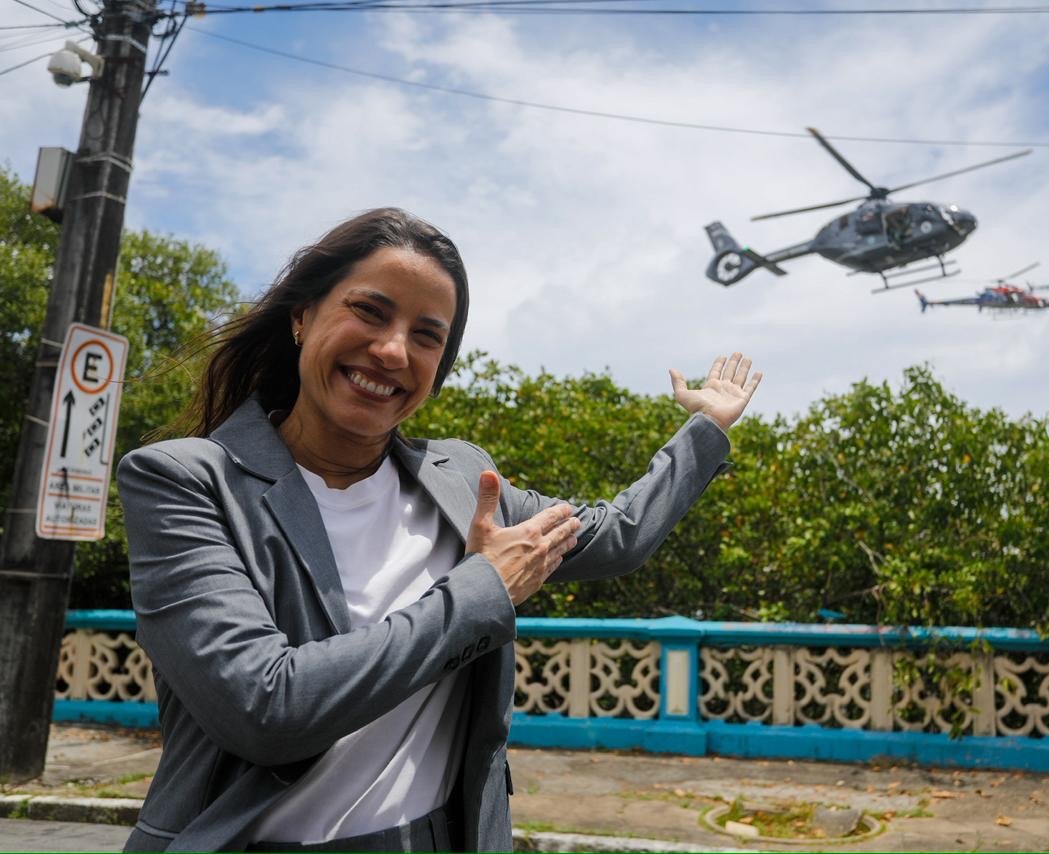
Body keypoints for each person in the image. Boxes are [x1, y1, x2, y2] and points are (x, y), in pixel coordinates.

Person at [115, 207, 762, 853]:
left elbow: (618, 534)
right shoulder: (184, 481)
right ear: (302, 315)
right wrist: (480, 590)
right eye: (369, 311)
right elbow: (265, 709)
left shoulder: (463, 481)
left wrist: (706, 431)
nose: (394, 350)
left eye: (427, 335)